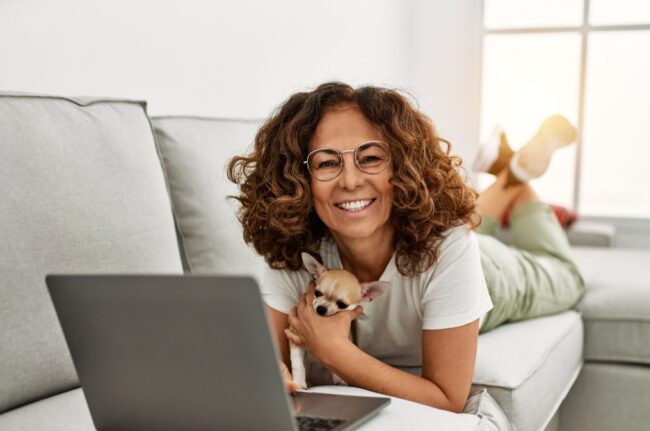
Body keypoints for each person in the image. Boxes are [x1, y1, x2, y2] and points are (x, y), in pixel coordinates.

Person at [227, 82, 585, 413]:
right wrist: (265, 371)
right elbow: (266, 359)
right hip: (436, 239)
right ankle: (512, 172)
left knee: (567, 277)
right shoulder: (293, 249)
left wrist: (335, 351)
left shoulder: (450, 245)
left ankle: (516, 180)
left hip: (491, 272)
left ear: (402, 167)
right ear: (300, 178)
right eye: (327, 162)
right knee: (461, 221)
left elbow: (448, 399)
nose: (350, 180)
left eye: (370, 158)